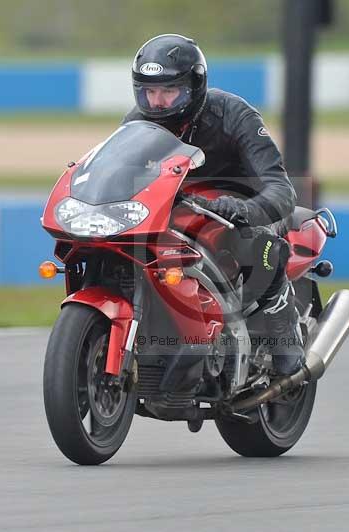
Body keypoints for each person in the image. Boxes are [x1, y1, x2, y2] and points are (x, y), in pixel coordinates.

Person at [122, 33, 303, 376]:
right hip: (181, 214)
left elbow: (281, 188)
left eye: (168, 91)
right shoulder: (136, 123)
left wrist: (244, 210)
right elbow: (119, 177)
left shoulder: (234, 115)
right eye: (150, 91)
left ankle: (284, 332)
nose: (157, 102)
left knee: (258, 242)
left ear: (195, 86)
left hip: (243, 209)